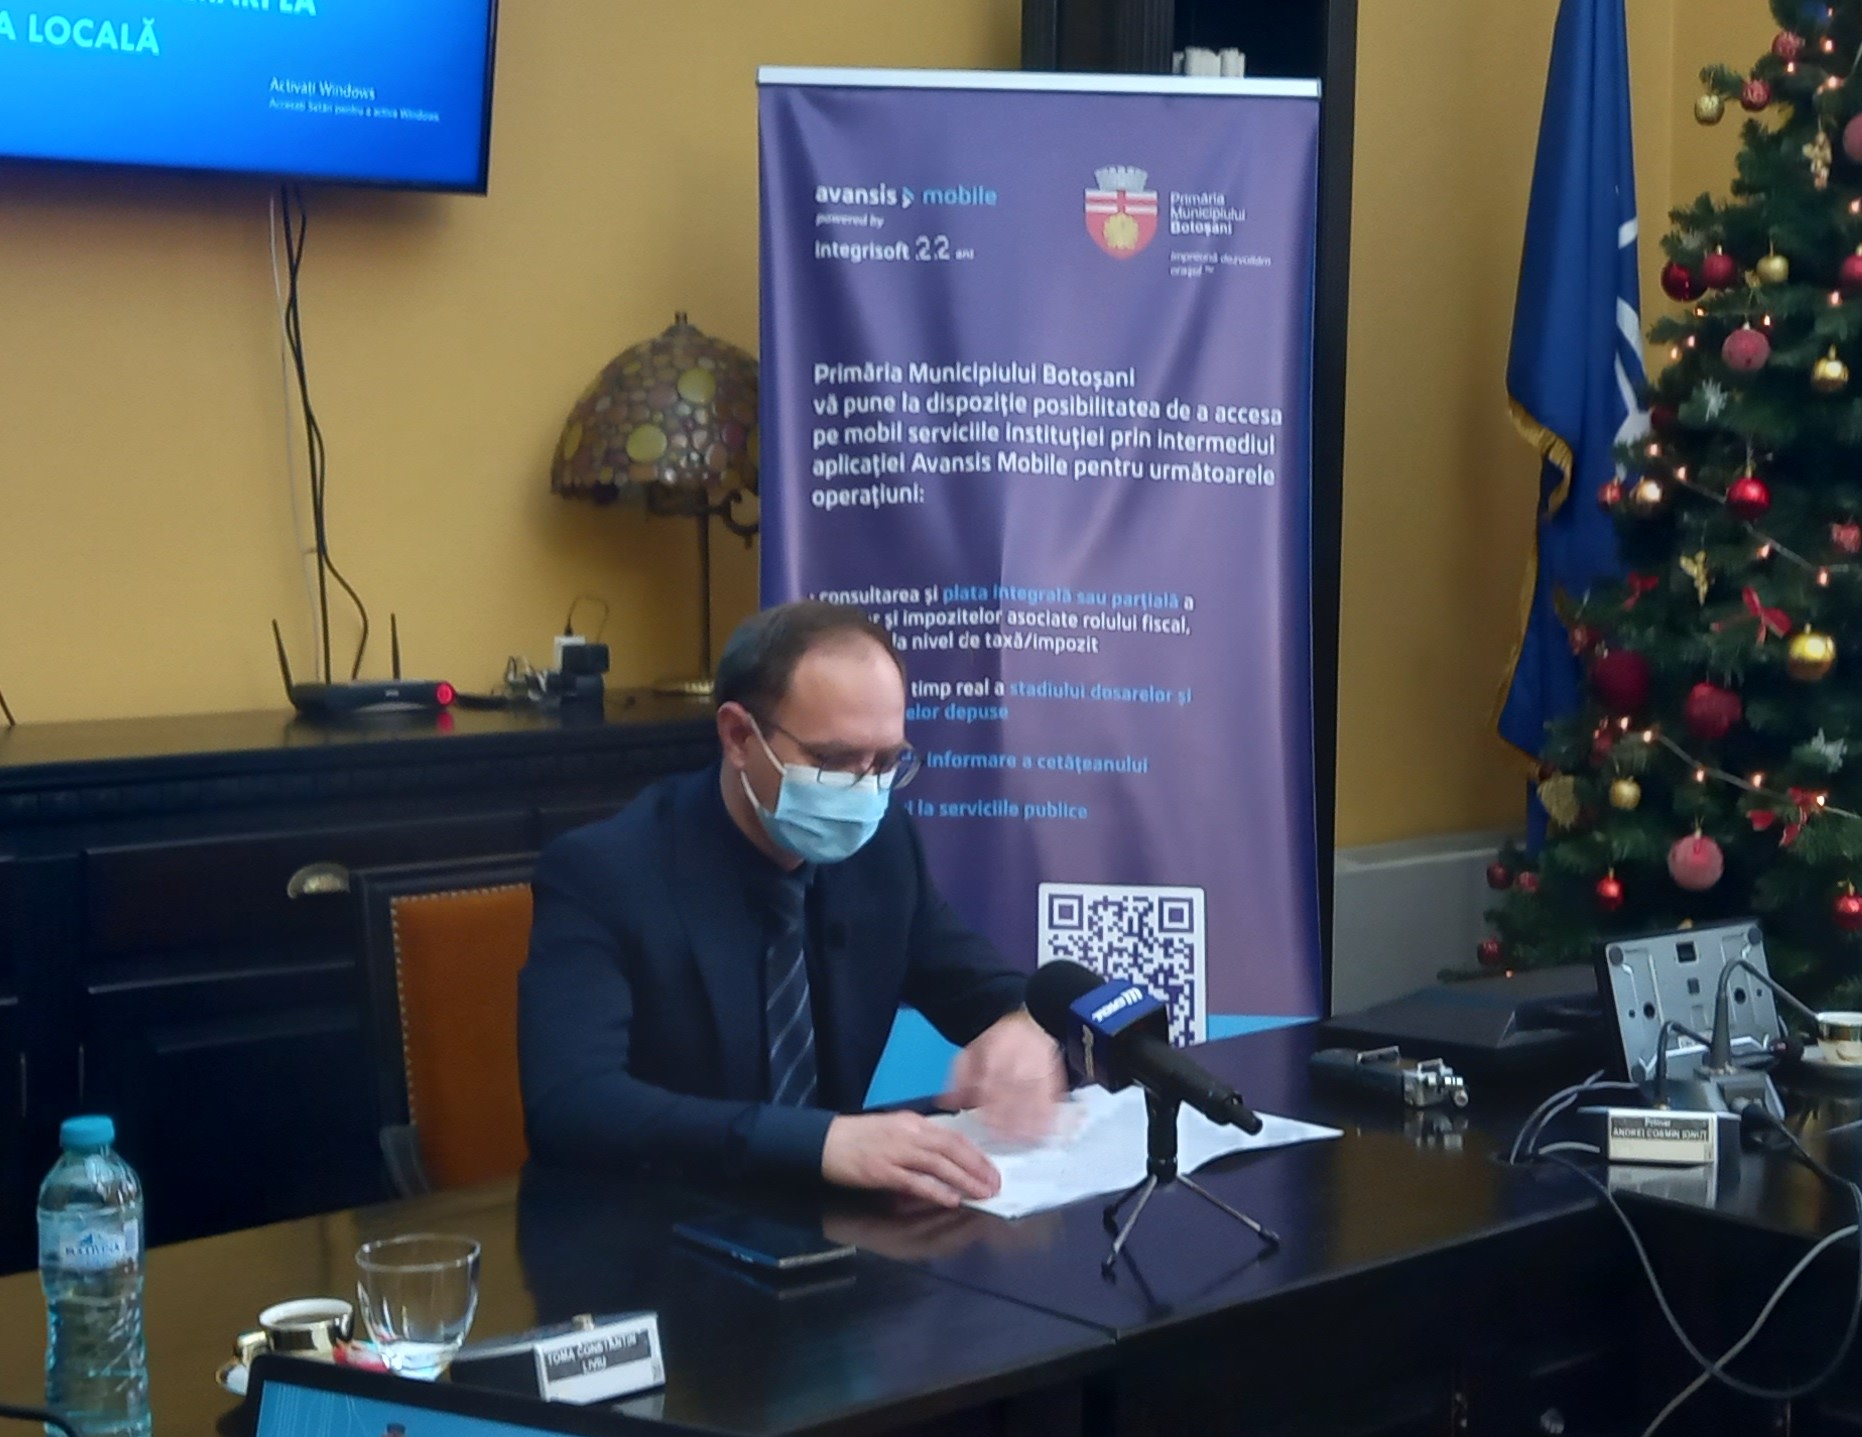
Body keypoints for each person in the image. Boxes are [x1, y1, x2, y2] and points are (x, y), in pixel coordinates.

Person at [519, 600, 1062, 1207]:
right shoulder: (604, 873)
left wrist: (1021, 1023)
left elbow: (976, 983)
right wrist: (817, 1142)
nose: (864, 787)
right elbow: (572, 1104)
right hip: (659, 1220)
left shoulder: (883, 849)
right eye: (832, 760)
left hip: (835, 1228)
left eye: (886, 761)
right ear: (738, 736)